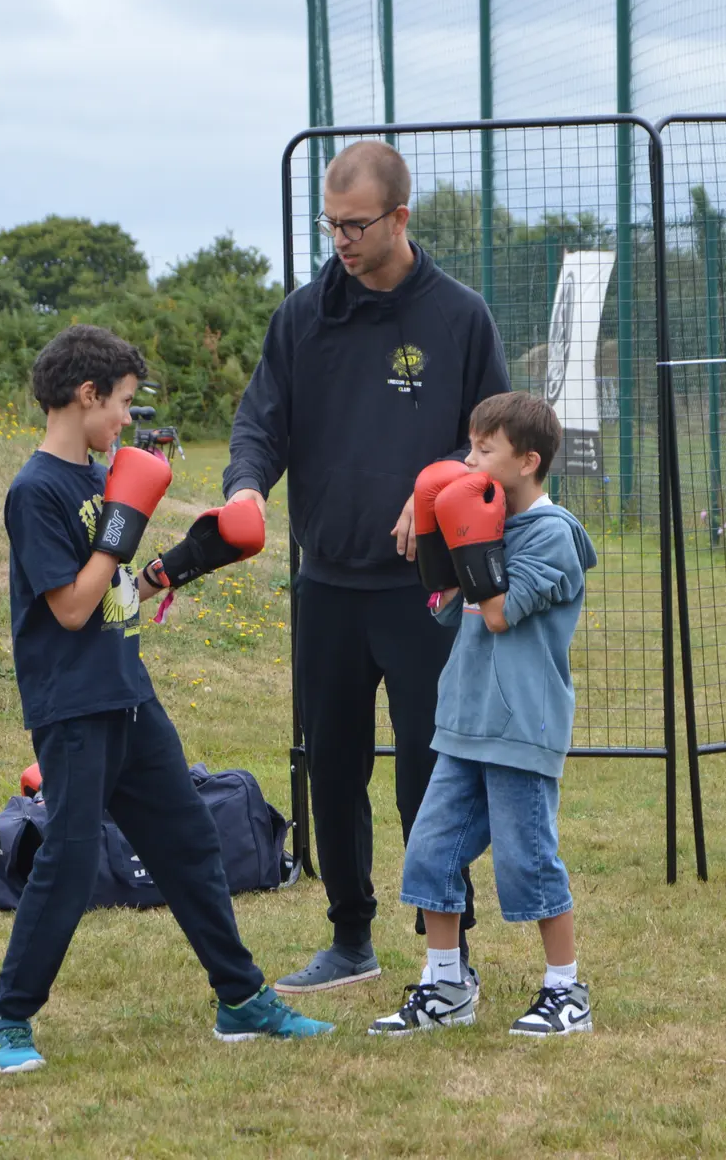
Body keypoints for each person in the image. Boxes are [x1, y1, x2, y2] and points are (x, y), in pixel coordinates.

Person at [0, 324, 331, 1073]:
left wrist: (186, 561)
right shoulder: (37, 490)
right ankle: (5, 1021)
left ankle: (240, 998)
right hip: (73, 708)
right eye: (124, 405)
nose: (126, 422)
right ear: (87, 395)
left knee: (191, 843)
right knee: (69, 863)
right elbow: (69, 610)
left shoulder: (93, 483)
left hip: (128, 695)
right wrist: (118, 529)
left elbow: (111, 600)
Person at [225, 140, 511, 993]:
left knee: (430, 773)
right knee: (332, 762)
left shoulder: (460, 317)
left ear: (400, 218)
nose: (341, 241)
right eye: (331, 224)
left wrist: (443, 484)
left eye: (356, 225)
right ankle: (351, 938)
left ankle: (445, 953)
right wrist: (245, 491)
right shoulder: (304, 316)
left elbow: (495, 445)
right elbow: (258, 425)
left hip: (428, 593)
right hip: (328, 585)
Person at [369, 391, 598, 1037]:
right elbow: (449, 607)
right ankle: (447, 986)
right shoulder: (489, 520)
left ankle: (566, 991)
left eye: (483, 449)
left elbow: (498, 613)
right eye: (470, 446)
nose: (468, 461)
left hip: (521, 726)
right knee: (429, 855)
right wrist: (441, 543)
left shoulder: (553, 536)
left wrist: (471, 537)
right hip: (465, 720)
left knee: (528, 863)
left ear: (527, 462)